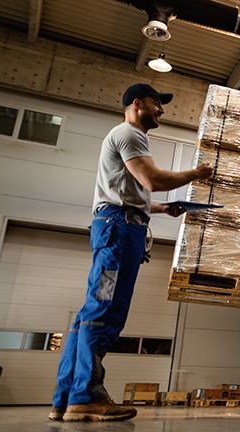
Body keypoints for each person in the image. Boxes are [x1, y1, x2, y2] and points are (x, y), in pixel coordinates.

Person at [50, 84, 214, 422]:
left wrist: (162, 208)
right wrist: (195, 174)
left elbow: (127, 193)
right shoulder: (130, 134)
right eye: (157, 103)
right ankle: (87, 396)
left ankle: (66, 399)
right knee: (105, 309)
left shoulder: (123, 137)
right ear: (137, 104)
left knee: (89, 314)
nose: (162, 110)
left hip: (117, 226)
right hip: (120, 232)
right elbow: (151, 179)